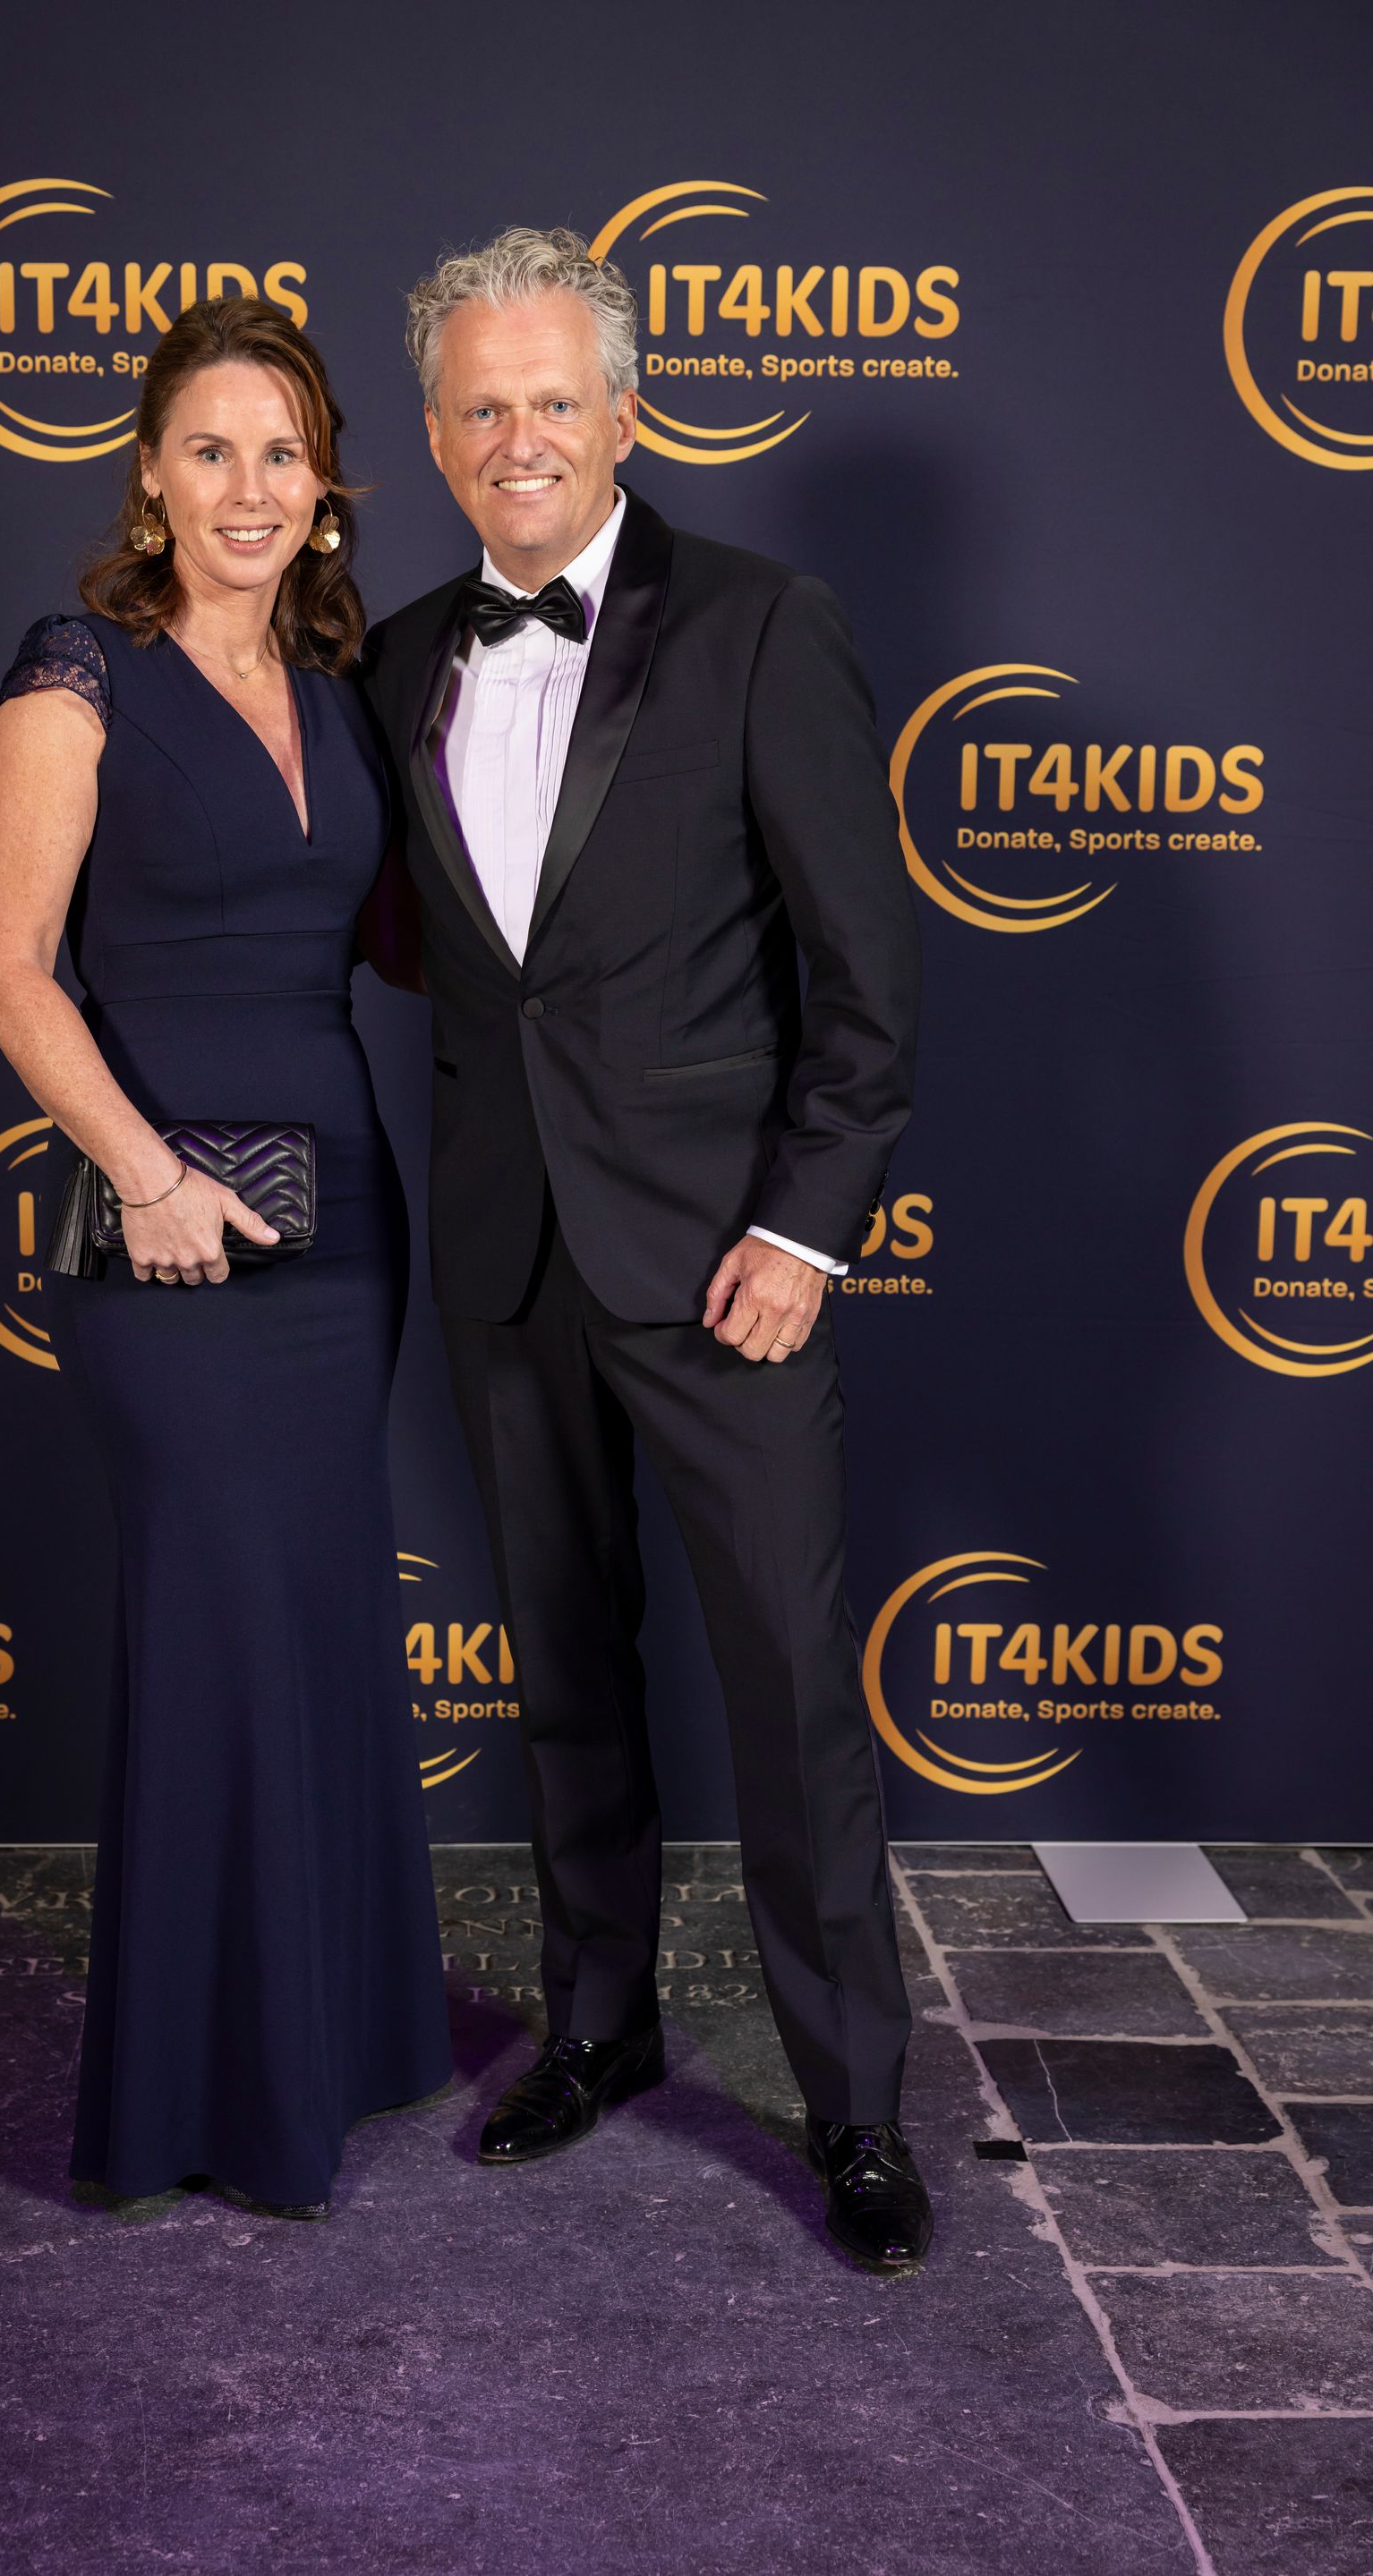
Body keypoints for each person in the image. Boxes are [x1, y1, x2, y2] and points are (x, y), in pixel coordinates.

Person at [361, 228, 934, 2273]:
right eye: (480, 406)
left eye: (552, 399)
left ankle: (854, 2107)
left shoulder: (766, 623)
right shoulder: (395, 656)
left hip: (726, 1267)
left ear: (627, 412)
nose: (518, 436)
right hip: (507, 1252)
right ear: (436, 438)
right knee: (565, 1676)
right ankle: (598, 2027)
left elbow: (867, 982)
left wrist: (803, 1231)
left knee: (789, 1692)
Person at [0, 297, 450, 2216]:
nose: (250, 487)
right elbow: (9, 969)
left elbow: (404, 938)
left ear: (325, 486)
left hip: (344, 1231)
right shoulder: (74, 674)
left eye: (283, 452)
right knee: (219, 1628)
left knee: (319, 1615)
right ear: (152, 480)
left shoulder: (343, 688)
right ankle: (204, 2100)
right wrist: (148, 1174)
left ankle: (338, 2043)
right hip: (160, 1229)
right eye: (210, 450)